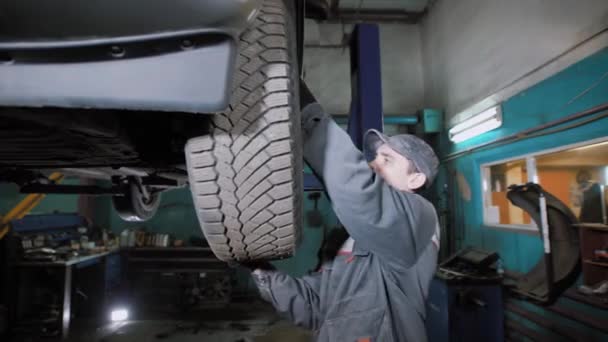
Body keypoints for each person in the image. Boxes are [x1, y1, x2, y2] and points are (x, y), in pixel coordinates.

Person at [246, 81, 440, 342]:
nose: (373, 163)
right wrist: (259, 268)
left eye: (387, 159)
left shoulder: (420, 219)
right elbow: (314, 307)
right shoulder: (350, 241)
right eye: (374, 157)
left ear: (415, 180)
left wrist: (307, 115)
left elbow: (358, 189)